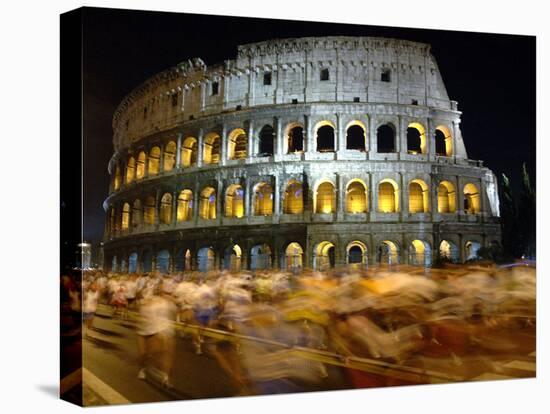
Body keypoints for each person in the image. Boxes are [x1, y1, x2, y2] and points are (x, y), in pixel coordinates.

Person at [136, 286, 178, 386]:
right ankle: (142, 369)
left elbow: (174, 312)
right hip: (144, 330)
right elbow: (141, 315)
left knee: (167, 352)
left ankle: (165, 377)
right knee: (144, 354)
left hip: (159, 330)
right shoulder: (146, 301)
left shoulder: (167, 302)